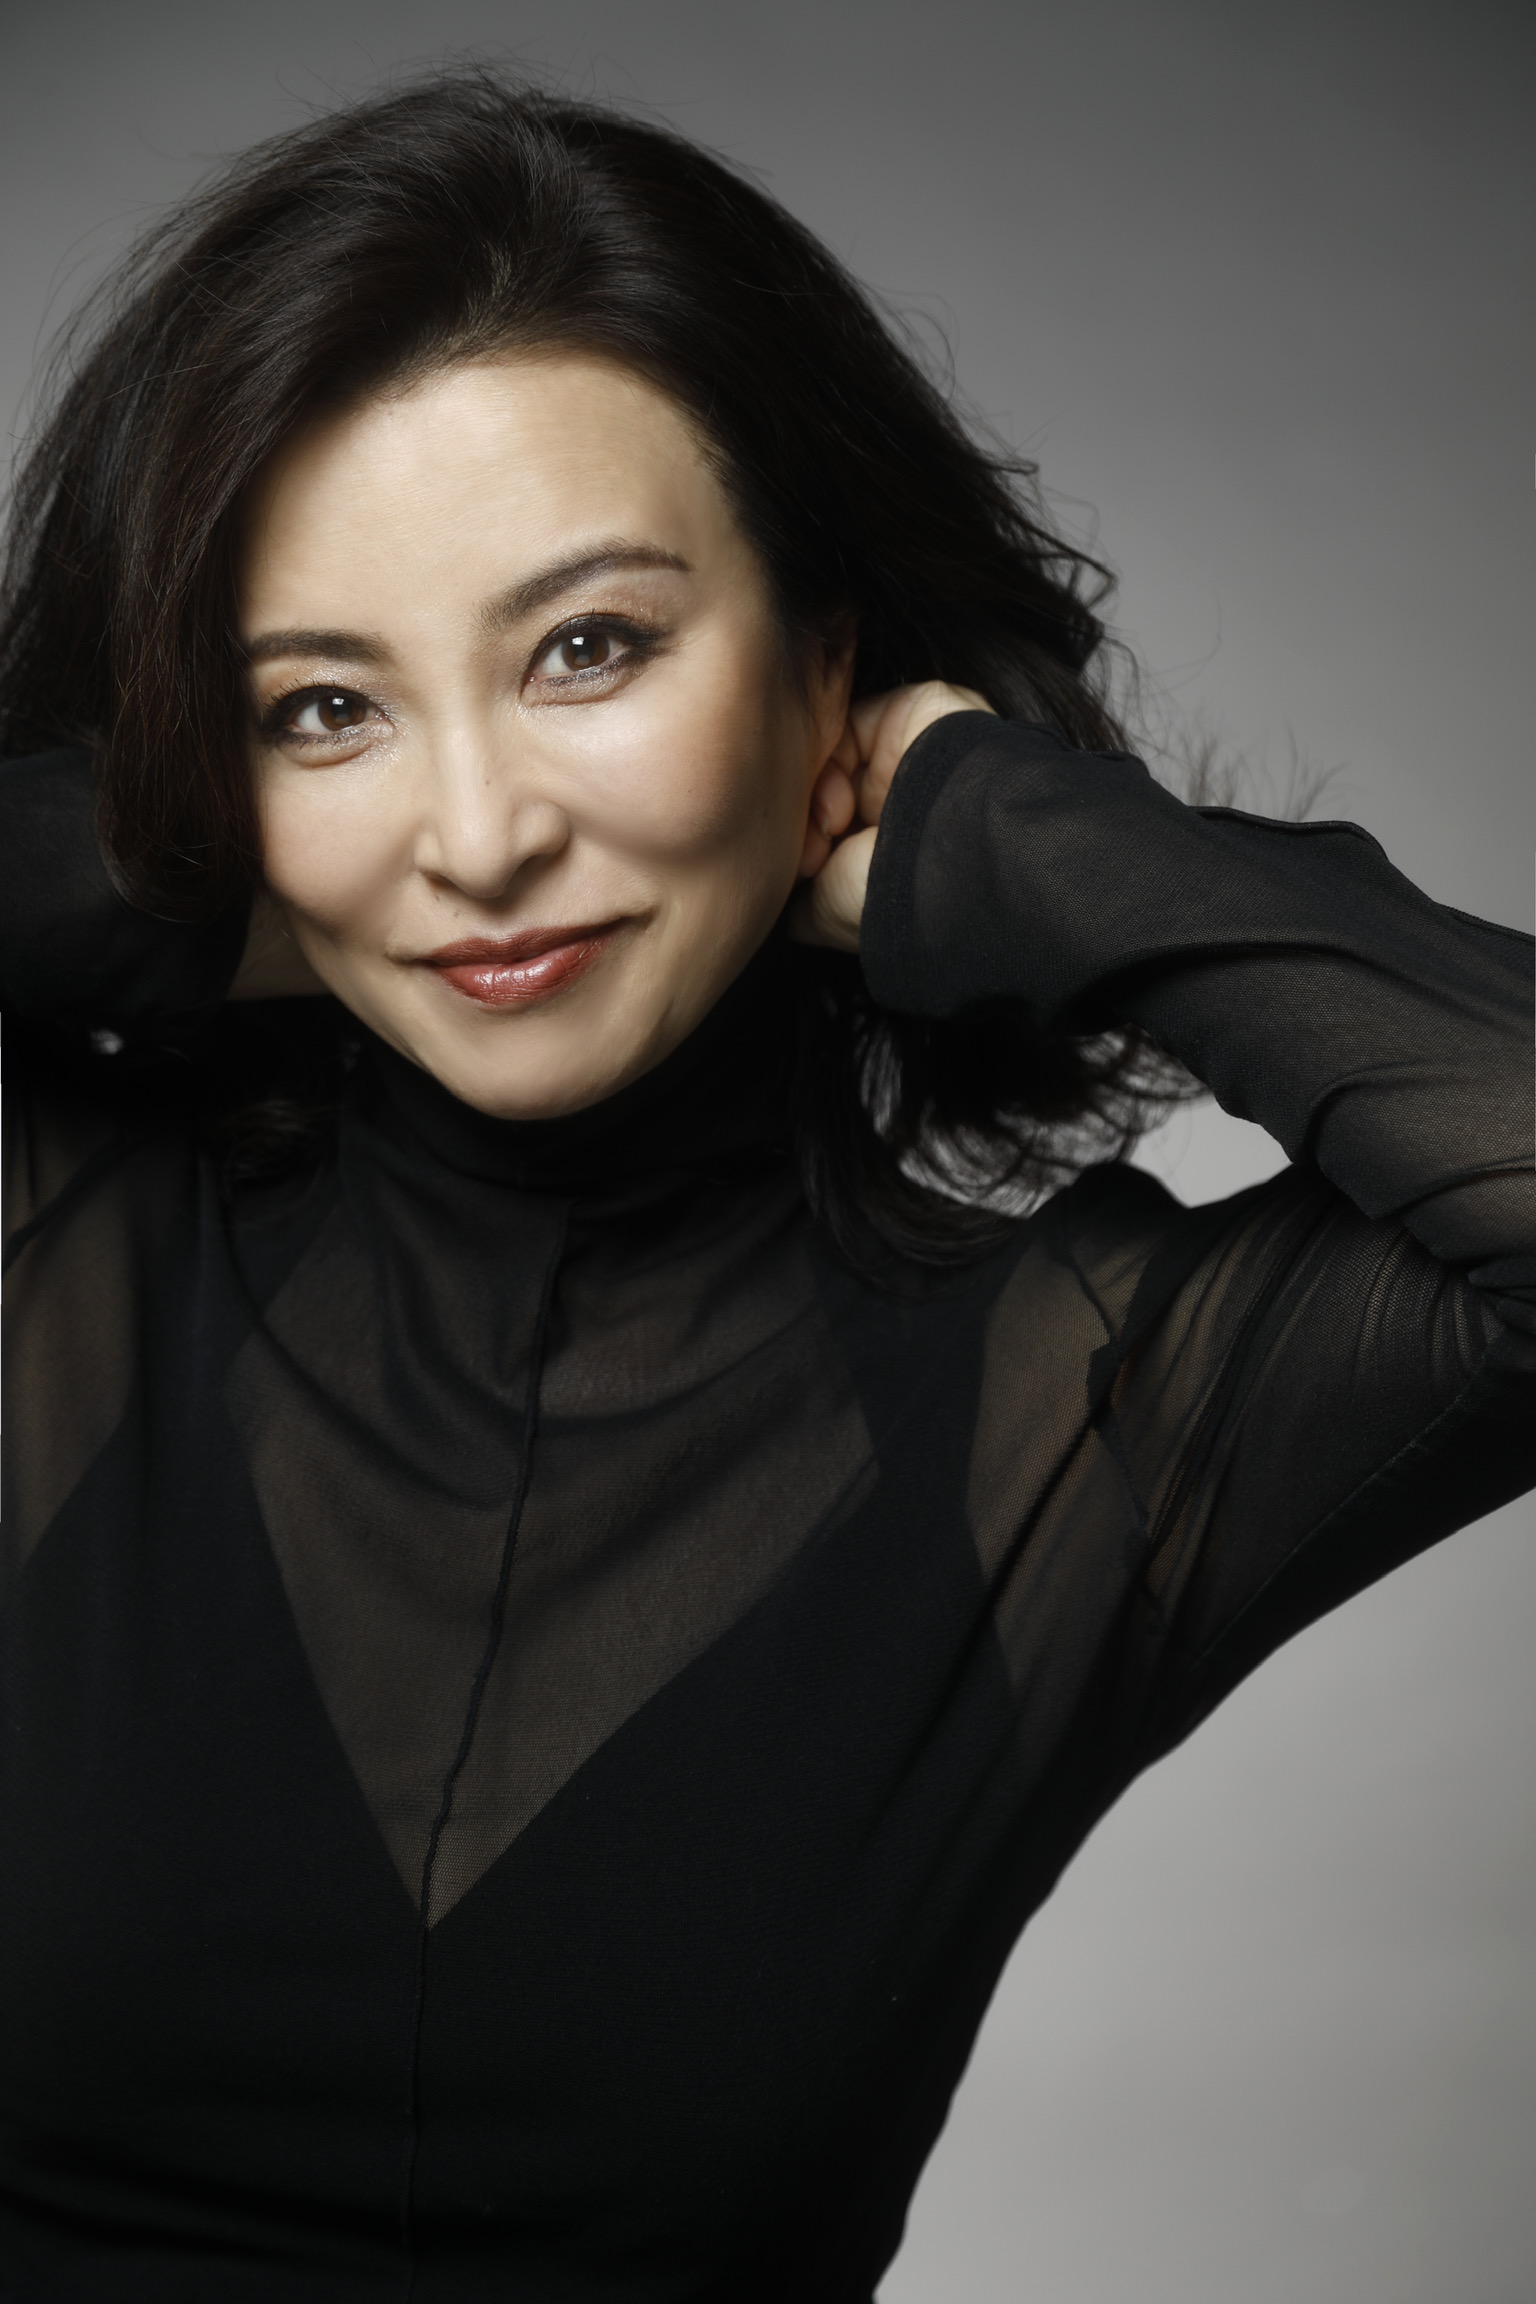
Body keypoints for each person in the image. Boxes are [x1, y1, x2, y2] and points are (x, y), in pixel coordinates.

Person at [0, 68, 1529, 2304]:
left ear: (824, 657)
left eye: (588, 648)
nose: (478, 837)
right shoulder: (52, 1248)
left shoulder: (1081, 1424)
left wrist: (1003, 835)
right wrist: (186, 874)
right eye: (326, 706)